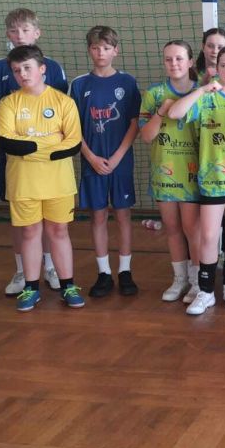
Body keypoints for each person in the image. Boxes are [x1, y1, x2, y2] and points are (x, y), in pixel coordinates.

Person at [0, 8, 68, 297]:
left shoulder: (52, 67)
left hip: (49, 161)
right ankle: (22, 270)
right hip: (16, 158)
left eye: (25, 30)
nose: (20, 36)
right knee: (22, 218)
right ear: (7, 34)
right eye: (14, 31)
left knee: (51, 219)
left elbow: (61, 112)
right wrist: (14, 144)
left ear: (37, 32)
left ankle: (50, 267)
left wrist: (44, 148)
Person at [167, 45, 225, 316]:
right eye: (224, 65)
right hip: (211, 178)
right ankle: (205, 292)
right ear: (216, 68)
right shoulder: (205, 98)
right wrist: (203, 89)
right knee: (208, 234)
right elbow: (174, 113)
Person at [0, 44, 84, 312]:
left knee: (59, 231)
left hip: (59, 182)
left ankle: (68, 285)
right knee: (30, 232)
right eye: (16, 70)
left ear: (42, 69)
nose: (22, 74)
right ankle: (31, 288)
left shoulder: (64, 102)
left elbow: (73, 143)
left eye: (27, 68)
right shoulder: (8, 103)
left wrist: (31, 146)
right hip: (23, 183)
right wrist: (51, 140)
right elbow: (9, 143)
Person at [70, 26, 141, 299]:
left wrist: (118, 155)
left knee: (123, 215)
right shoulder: (79, 85)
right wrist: (90, 156)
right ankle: (104, 273)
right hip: (92, 162)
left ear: (115, 51)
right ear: (89, 50)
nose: (101, 52)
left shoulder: (127, 82)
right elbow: (72, 127)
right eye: (96, 47)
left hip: (120, 161)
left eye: (106, 48)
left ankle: (125, 271)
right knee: (98, 215)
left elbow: (134, 123)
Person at [139, 40, 200, 303]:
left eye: (179, 58)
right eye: (168, 59)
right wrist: (161, 112)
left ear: (190, 62)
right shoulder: (154, 94)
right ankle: (179, 279)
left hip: (194, 173)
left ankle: (197, 281)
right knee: (173, 228)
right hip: (164, 172)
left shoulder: (201, 92)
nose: (174, 64)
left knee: (193, 229)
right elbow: (146, 136)